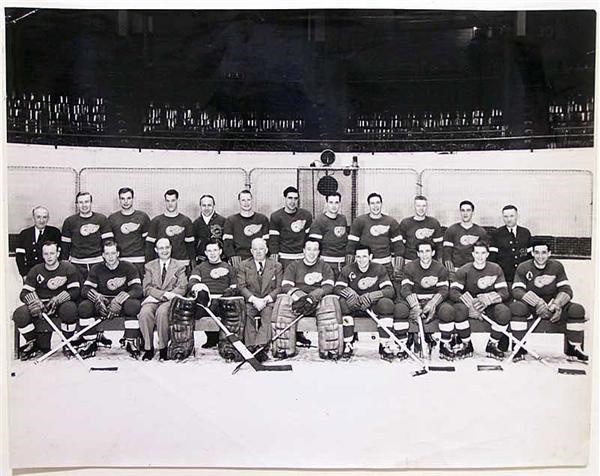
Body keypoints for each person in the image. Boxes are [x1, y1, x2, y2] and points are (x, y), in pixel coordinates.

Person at [510, 239, 587, 362]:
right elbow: (517, 290)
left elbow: (566, 289)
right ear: (532, 253)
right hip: (532, 307)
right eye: (537, 252)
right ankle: (519, 348)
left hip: (553, 305)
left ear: (549, 253)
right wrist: (537, 302)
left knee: (577, 309)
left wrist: (557, 304)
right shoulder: (523, 267)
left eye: (544, 252)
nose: (540, 256)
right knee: (517, 308)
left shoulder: (557, 266)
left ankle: (574, 348)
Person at [273, 237, 341, 360]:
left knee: (329, 306)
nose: (312, 252)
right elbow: (286, 285)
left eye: (315, 249)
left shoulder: (325, 266)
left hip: (318, 301)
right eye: (309, 249)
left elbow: (329, 286)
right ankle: (283, 348)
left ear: (319, 251)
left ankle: (329, 349)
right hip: (298, 301)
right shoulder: (294, 266)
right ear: (303, 250)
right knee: (283, 303)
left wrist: (315, 296)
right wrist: (300, 297)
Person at [12, 241, 80, 360]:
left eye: (52, 253)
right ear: (42, 255)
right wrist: (34, 301)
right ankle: (33, 342)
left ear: (58, 253)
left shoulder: (68, 268)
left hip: (61, 304)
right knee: (20, 314)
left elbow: (75, 291)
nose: (49, 257)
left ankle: (66, 342)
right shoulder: (36, 270)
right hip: (41, 305)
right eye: (46, 254)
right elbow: (24, 293)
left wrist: (59, 299)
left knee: (70, 309)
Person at [77, 240, 143, 359]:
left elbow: (138, 289)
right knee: (84, 307)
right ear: (102, 255)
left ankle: (130, 340)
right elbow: (85, 289)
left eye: (113, 253)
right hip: (102, 303)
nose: (110, 256)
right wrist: (97, 298)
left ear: (118, 253)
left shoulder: (128, 267)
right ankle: (90, 341)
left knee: (133, 305)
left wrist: (120, 299)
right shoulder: (97, 268)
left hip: (121, 304)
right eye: (107, 254)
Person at [449, 240, 511, 360]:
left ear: (488, 254)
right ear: (473, 254)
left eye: (483, 253)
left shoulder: (495, 268)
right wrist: (471, 304)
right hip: (470, 306)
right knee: (458, 310)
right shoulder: (464, 269)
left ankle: (492, 345)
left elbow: (504, 292)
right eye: (477, 253)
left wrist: (488, 300)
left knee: (504, 312)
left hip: (489, 305)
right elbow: (453, 292)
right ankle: (467, 344)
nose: (480, 256)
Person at [334, 244, 397, 360]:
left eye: (364, 256)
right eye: (358, 257)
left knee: (387, 304)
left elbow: (390, 290)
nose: (361, 260)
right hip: (354, 305)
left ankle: (384, 344)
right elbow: (337, 288)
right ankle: (348, 343)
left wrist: (372, 296)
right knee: (342, 303)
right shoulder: (348, 269)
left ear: (370, 257)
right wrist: (349, 293)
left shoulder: (379, 269)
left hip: (371, 306)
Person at [395, 240, 456, 360]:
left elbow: (443, 290)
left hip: (433, 299)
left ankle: (444, 345)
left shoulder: (440, 268)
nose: (424, 254)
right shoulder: (410, 267)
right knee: (399, 310)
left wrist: (432, 304)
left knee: (447, 311)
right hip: (415, 299)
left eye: (427, 251)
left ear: (433, 252)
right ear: (417, 253)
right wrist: (415, 305)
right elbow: (405, 289)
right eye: (421, 251)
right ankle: (404, 345)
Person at [268, 186, 313, 346]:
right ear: (285, 199)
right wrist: (276, 260)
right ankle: (282, 330)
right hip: (284, 258)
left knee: (300, 292)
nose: (293, 201)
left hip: (301, 258)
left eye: (295, 198)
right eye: (290, 198)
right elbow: (273, 240)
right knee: (284, 293)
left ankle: (299, 332)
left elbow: (309, 239)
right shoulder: (276, 216)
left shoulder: (306, 215)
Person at [138, 237, 188, 361]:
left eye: (167, 247)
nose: (164, 251)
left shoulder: (180, 266)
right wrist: (163, 294)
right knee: (145, 312)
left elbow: (182, 287)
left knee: (162, 312)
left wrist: (169, 296)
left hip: (172, 300)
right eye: (161, 248)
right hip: (155, 299)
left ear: (171, 248)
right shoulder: (149, 266)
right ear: (156, 250)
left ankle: (163, 348)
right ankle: (148, 348)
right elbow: (146, 287)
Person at [187, 238, 238, 354]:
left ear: (220, 251)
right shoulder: (200, 268)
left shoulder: (229, 267)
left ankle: (223, 341)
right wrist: (199, 288)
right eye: (209, 251)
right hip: (205, 301)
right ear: (205, 253)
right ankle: (207, 339)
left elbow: (235, 286)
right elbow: (192, 283)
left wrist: (229, 291)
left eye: (215, 250)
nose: (212, 253)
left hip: (222, 302)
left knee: (227, 307)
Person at [237, 238, 283, 358]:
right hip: (251, 301)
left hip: (268, 301)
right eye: (255, 249)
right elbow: (241, 287)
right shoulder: (243, 265)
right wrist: (253, 299)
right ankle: (251, 347)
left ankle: (261, 347)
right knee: (246, 314)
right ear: (251, 251)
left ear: (266, 250)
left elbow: (278, 288)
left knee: (268, 315)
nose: (258, 252)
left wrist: (266, 299)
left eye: (261, 249)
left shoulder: (276, 266)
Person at [191, 194, 226, 349]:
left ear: (214, 206)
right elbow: (191, 245)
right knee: (205, 297)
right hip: (201, 261)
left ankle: (221, 336)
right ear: (200, 206)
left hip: (218, 260)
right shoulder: (196, 223)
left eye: (209, 205)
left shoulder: (222, 221)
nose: (206, 207)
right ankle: (210, 337)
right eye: (204, 205)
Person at [347, 192, 404, 280]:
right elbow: (351, 245)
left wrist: (397, 269)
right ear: (368, 205)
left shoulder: (391, 221)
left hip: (386, 265)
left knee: (387, 291)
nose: (375, 206)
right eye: (372, 203)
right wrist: (348, 268)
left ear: (381, 204)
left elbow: (399, 246)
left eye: (377, 203)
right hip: (365, 265)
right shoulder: (359, 221)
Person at [60, 192, 114, 281]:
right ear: (77, 204)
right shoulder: (69, 221)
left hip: (97, 262)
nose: (84, 205)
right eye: (81, 202)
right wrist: (65, 264)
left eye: (86, 202)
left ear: (91, 203)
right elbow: (65, 246)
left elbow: (108, 243)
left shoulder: (101, 219)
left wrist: (107, 260)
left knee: (98, 290)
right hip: (77, 264)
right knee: (79, 291)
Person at [145, 189, 195, 267]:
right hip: (162, 264)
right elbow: (149, 247)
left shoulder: (186, 221)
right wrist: (149, 265)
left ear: (177, 201)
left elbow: (190, 247)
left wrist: (192, 266)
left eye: (173, 200)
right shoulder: (156, 221)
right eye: (167, 201)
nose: (170, 204)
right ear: (165, 202)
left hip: (181, 263)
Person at [108, 187, 150, 278]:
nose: (126, 201)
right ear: (119, 200)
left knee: (139, 289)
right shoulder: (112, 218)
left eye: (128, 198)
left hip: (139, 260)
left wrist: (147, 261)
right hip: (120, 260)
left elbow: (147, 243)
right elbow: (110, 243)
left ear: (133, 199)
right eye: (122, 198)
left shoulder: (143, 216)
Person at [223, 189, 270, 269]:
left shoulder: (262, 219)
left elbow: (267, 242)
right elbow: (227, 243)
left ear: (252, 201)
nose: (246, 203)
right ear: (239, 202)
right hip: (240, 259)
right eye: (243, 200)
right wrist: (232, 256)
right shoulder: (231, 220)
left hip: (258, 257)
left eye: (248, 200)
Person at [308, 192, 348, 280]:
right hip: (326, 262)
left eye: (336, 202)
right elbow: (314, 246)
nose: (334, 205)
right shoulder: (319, 221)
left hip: (341, 262)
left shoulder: (343, 219)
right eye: (331, 202)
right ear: (326, 204)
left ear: (340, 204)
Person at [442, 200, 489, 275]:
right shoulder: (451, 230)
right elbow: (447, 254)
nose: (465, 213)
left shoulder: (481, 231)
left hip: (474, 269)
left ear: (473, 213)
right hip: (457, 269)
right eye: (463, 210)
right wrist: (451, 271)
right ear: (460, 212)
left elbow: (484, 254)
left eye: (468, 210)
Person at [489, 205, 532, 284]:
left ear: (517, 216)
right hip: (504, 277)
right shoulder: (497, 234)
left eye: (512, 216)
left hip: (522, 276)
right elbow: (492, 258)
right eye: (506, 216)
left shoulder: (525, 233)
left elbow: (527, 255)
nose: (509, 219)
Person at [15, 206, 62, 280]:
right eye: (38, 217)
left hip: (50, 274)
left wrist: (58, 274)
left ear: (48, 218)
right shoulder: (24, 234)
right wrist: (24, 275)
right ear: (33, 218)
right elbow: (19, 257)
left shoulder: (55, 233)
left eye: (45, 217)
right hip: (30, 274)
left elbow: (60, 255)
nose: (41, 220)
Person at [399, 195, 443, 261]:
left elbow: (439, 247)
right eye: (418, 206)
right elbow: (400, 246)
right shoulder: (405, 223)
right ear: (414, 207)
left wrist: (439, 263)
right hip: (410, 261)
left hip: (429, 261)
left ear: (427, 207)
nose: (421, 209)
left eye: (424, 206)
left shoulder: (434, 223)